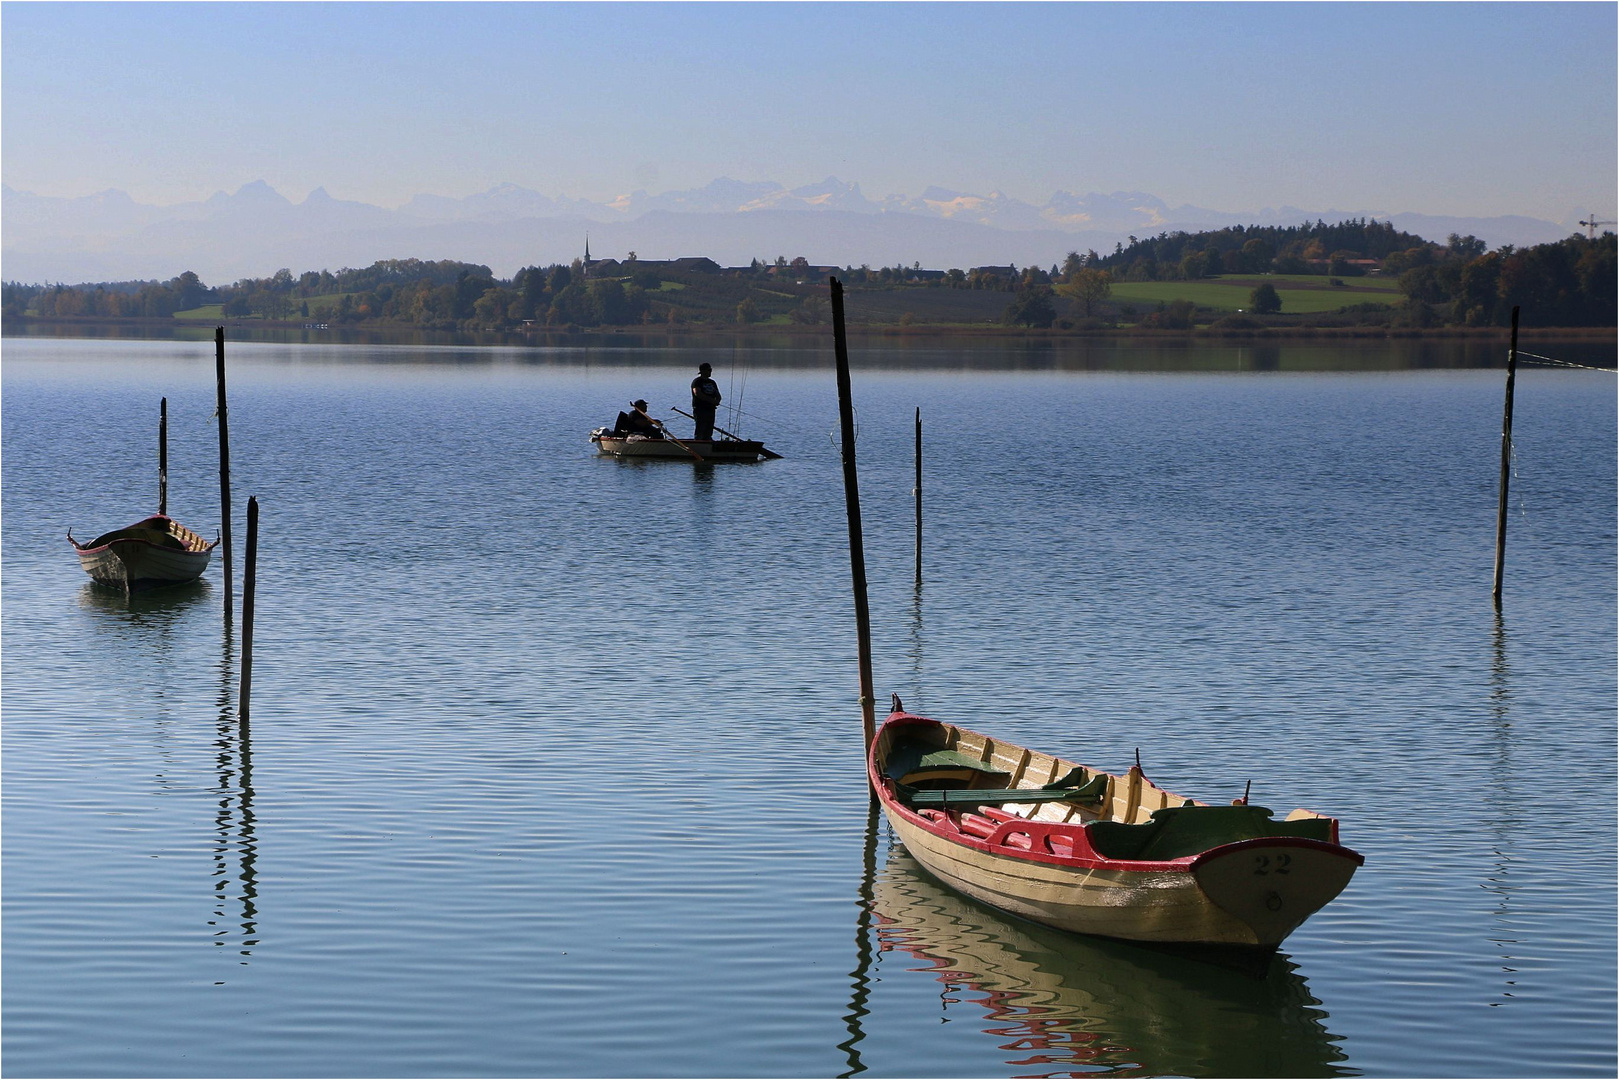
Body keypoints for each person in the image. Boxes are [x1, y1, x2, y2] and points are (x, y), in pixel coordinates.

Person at [690, 363, 722, 441]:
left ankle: (708, 443)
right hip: (700, 409)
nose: (710, 372)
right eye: (709, 370)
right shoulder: (697, 381)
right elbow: (697, 393)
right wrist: (711, 400)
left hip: (711, 410)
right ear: (703, 371)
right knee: (700, 430)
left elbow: (718, 395)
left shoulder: (712, 382)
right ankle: (698, 444)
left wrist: (717, 401)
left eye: (711, 370)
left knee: (709, 430)